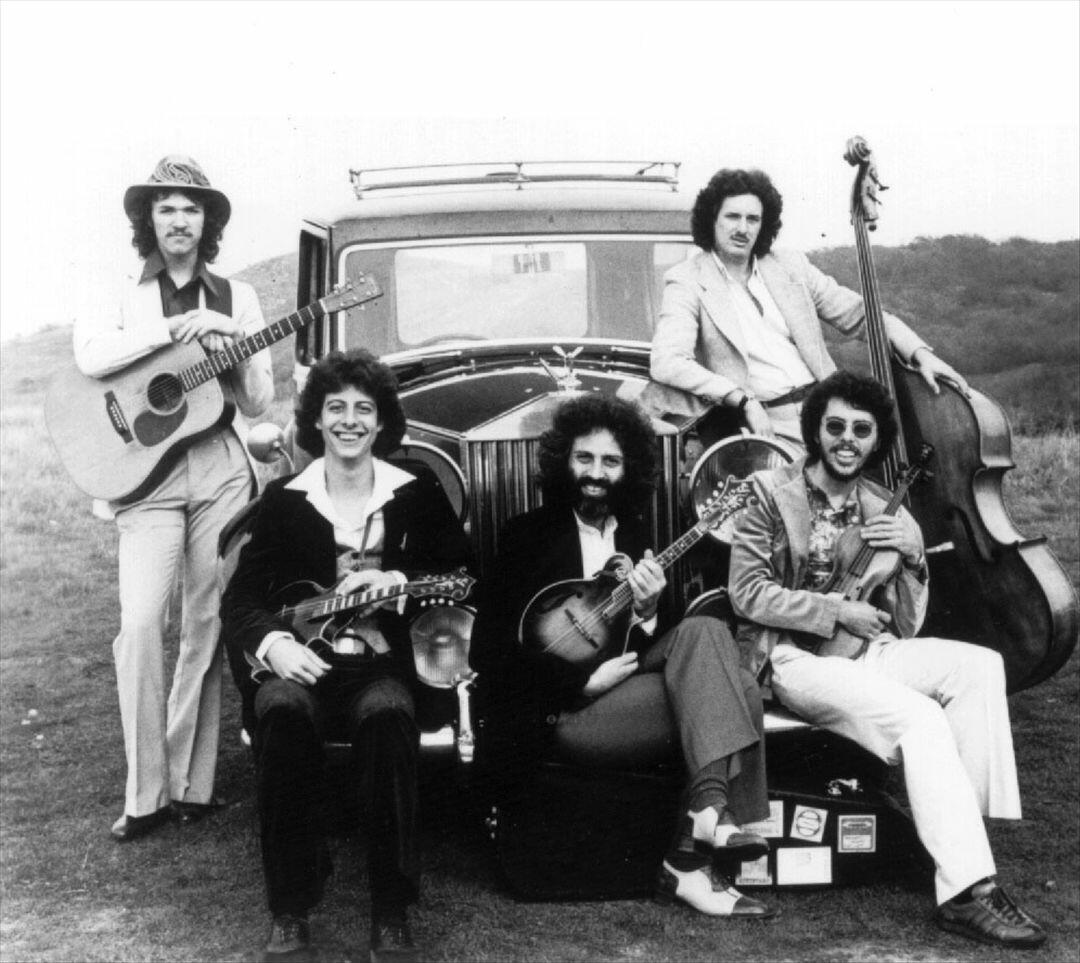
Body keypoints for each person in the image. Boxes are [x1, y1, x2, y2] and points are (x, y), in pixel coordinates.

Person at [727, 370, 1045, 948]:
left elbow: (904, 622)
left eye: (861, 430)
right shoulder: (768, 491)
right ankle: (967, 889)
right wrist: (834, 610)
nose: (847, 440)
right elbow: (747, 593)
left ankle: (956, 841)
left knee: (979, 667)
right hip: (791, 658)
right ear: (815, 431)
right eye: (836, 427)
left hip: (863, 653)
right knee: (919, 717)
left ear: (876, 440)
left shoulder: (882, 506)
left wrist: (915, 559)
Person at [470, 394, 777, 919]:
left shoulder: (636, 538)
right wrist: (579, 683)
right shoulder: (525, 535)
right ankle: (698, 850)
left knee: (707, 632)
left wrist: (649, 610)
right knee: (741, 687)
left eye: (610, 461)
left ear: (628, 468)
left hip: (623, 697)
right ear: (563, 461)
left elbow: (650, 649)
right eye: (584, 458)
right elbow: (487, 651)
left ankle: (706, 820)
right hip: (562, 713)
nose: (596, 473)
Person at [221, 349, 472, 962]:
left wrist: (399, 581)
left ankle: (391, 911)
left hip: (381, 665)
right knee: (281, 711)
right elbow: (241, 598)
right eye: (336, 408)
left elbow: (464, 577)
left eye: (364, 408)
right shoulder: (286, 499)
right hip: (301, 663)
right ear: (317, 419)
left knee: (388, 716)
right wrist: (275, 645)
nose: (350, 421)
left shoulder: (417, 492)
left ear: (382, 420)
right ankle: (290, 908)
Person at [72, 155, 274, 842]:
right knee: (139, 624)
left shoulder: (238, 295)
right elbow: (91, 354)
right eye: (167, 207)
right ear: (148, 218)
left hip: (219, 466)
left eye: (192, 208)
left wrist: (235, 347)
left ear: (208, 221)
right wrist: (173, 329)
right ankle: (145, 793)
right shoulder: (122, 292)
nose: (180, 219)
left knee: (206, 620)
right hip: (147, 478)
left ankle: (191, 784)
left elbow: (258, 401)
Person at [641, 167, 967, 448]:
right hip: (765, 422)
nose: (742, 228)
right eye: (732, 216)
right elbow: (668, 360)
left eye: (753, 219)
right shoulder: (687, 279)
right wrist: (742, 399)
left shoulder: (790, 265)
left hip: (828, 412)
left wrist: (921, 354)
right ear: (712, 219)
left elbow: (861, 315)